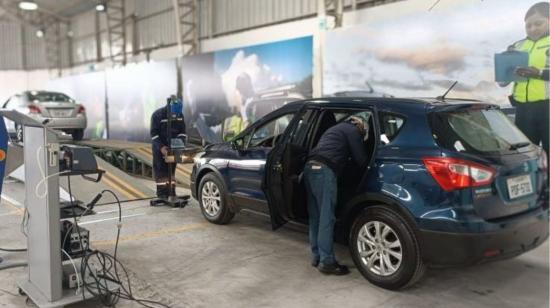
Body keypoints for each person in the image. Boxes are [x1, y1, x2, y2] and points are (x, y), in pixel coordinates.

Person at [304, 115, 369, 275]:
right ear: (360, 125)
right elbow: (361, 159)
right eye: (363, 132)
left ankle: (317, 256)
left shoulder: (335, 129)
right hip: (324, 171)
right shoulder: (353, 131)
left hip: (309, 168)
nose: (361, 134)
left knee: (316, 216)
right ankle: (327, 262)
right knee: (327, 217)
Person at [506, 2, 549, 155]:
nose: (533, 29)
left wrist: (539, 74)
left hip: (547, 108)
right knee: (526, 155)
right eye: (528, 26)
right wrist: (506, 66)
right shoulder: (518, 46)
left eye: (538, 23)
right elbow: (502, 82)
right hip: (524, 109)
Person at [150, 97, 186, 199]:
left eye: (177, 114)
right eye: (174, 114)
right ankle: (162, 194)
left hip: (173, 147)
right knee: (161, 171)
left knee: (172, 171)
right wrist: (161, 147)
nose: (175, 116)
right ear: (169, 108)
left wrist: (179, 146)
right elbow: (154, 135)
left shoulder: (180, 116)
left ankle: (171, 192)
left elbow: (182, 133)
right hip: (159, 148)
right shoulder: (157, 115)